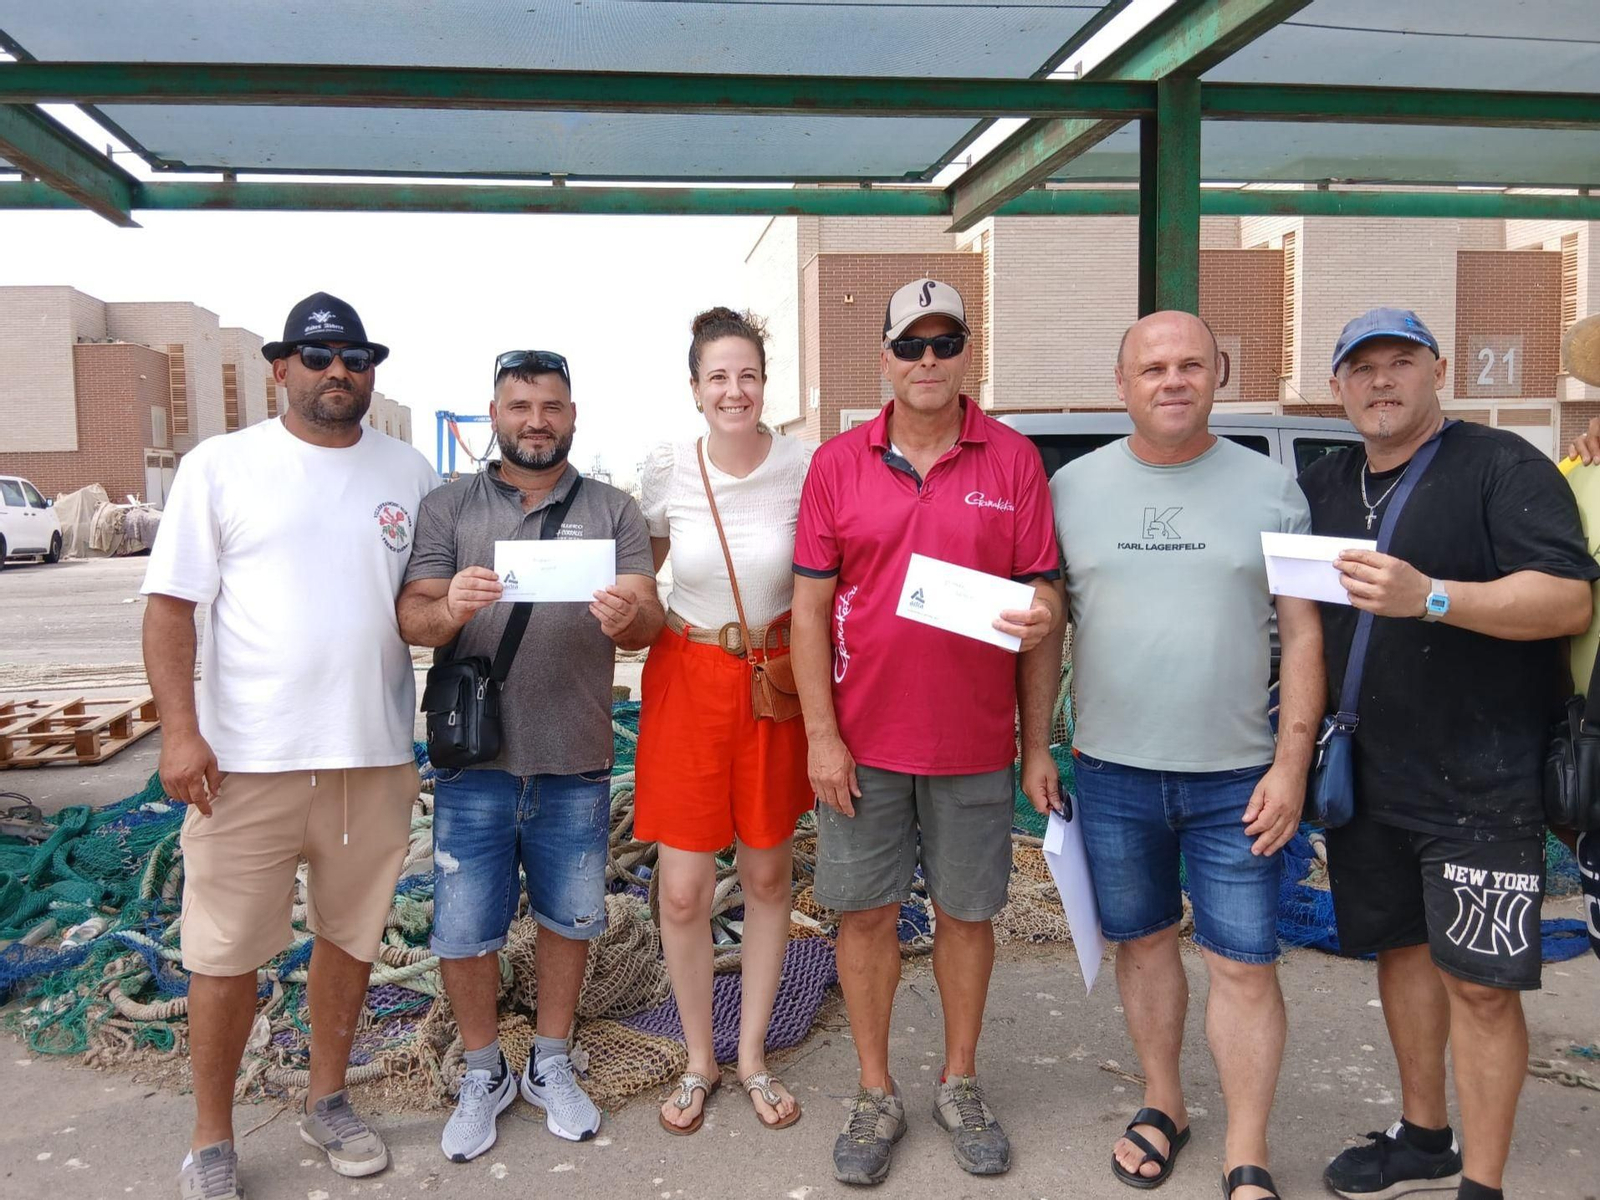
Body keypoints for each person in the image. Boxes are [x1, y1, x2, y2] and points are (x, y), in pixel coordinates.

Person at [143, 293, 438, 1200]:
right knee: (224, 956)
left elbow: (422, 605)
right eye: (316, 358)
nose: (336, 371)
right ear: (280, 370)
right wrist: (180, 733)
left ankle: (327, 1098)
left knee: (349, 941)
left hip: (373, 756)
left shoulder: (411, 470)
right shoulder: (220, 466)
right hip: (245, 765)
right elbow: (170, 610)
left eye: (352, 356)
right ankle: (212, 1141)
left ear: (370, 370)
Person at [1299, 308, 1594, 1200]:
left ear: (1438, 371)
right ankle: (1424, 1135)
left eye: (1400, 363)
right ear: (1339, 385)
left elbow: (1566, 603)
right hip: (1368, 775)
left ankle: (1486, 1184)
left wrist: (1432, 599)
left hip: (1485, 779)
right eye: (1362, 368)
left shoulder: (1503, 466)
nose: (1381, 382)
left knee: (1481, 986)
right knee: (1401, 954)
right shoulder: (1323, 482)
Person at [1043, 310, 1323, 1200]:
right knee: (1145, 944)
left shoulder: (1273, 487)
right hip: (1112, 770)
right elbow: (1049, 629)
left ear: (1220, 374)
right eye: (1153, 367)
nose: (1173, 380)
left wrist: (1292, 763)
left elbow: (1306, 633)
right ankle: (1165, 1103)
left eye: (1190, 364)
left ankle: (1248, 1150)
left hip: (1239, 776)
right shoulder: (1072, 490)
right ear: (1122, 384)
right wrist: (1038, 745)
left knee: (1245, 963)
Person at [791, 277, 1061, 1186]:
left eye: (945, 344)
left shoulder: (1014, 461)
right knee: (863, 915)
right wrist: (821, 739)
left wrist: (1034, 740)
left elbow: (1044, 600)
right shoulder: (837, 464)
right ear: (886, 358)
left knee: (967, 914)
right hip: (861, 749)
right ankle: (875, 1091)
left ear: (965, 355)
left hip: (975, 745)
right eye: (911, 345)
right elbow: (807, 611)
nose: (928, 361)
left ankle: (959, 1080)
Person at [396, 349, 663, 1162]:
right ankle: (484, 1071)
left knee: (569, 919)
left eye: (550, 406)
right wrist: (452, 606)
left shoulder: (614, 510)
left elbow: (649, 617)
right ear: (495, 413)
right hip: (474, 763)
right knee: (465, 929)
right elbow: (412, 617)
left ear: (572, 415)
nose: (536, 421)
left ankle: (550, 1061)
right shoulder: (448, 506)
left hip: (575, 758)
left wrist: (628, 618)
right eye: (520, 406)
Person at [635, 307, 814, 1136]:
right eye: (718, 377)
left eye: (747, 374)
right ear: (696, 388)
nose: (734, 390)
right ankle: (697, 1057)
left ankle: (750, 1057)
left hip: (773, 683)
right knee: (683, 892)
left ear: (763, 383)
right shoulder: (669, 468)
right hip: (688, 677)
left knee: (770, 876)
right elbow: (643, 577)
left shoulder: (805, 467)